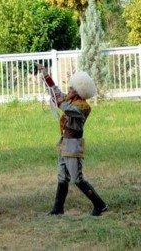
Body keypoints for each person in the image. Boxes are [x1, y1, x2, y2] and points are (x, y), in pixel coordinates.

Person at [37, 64, 108, 217]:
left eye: (71, 89)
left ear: (78, 92)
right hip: (65, 143)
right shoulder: (72, 101)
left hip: (73, 145)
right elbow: (58, 94)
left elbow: (65, 106)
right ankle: (58, 209)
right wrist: (46, 76)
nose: (68, 91)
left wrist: (59, 99)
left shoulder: (83, 107)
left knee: (77, 178)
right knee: (62, 176)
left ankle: (100, 205)